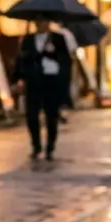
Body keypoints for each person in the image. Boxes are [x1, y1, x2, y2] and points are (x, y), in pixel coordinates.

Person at [15, 20, 71, 160]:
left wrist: (52, 53)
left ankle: (50, 147)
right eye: (39, 21)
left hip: (51, 79)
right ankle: (36, 145)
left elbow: (65, 59)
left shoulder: (58, 38)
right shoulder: (28, 39)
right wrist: (18, 78)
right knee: (32, 115)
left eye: (44, 21)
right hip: (34, 79)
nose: (42, 24)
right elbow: (21, 58)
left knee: (51, 115)